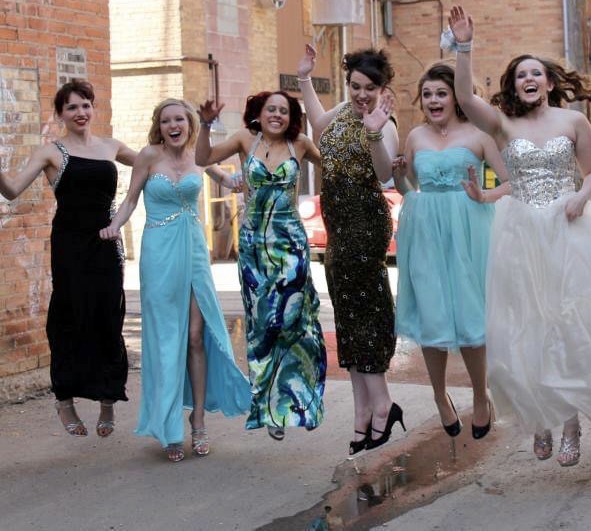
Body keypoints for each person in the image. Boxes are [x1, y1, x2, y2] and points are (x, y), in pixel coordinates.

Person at [448, 5, 591, 467]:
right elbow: (466, 99)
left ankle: (570, 423)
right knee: (524, 328)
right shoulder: (503, 124)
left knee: (569, 326)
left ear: (548, 82)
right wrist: (464, 47)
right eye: (521, 75)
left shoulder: (573, 121)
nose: (528, 79)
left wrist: (580, 197)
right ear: (515, 86)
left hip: (568, 230)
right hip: (521, 233)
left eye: (536, 73)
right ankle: (538, 419)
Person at [0, 80, 135, 439]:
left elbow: (153, 166)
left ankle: (107, 400)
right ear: (60, 114)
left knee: (107, 318)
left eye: (86, 105)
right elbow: (12, 190)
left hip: (107, 245)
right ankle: (65, 399)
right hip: (70, 247)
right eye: (72, 107)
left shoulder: (111, 146)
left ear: (94, 108)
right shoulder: (51, 152)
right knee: (69, 319)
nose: (80, 113)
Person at [100, 98, 251, 462]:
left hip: (195, 251)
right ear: (159, 126)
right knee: (168, 340)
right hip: (159, 253)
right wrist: (115, 226)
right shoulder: (149, 156)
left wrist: (254, 163)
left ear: (189, 123)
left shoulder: (201, 157)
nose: (174, 125)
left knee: (197, 337)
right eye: (167, 120)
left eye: (180, 119)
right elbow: (131, 199)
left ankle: (198, 420)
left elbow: (233, 182)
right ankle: (169, 427)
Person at [376, 61, 509, 440]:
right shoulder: (416, 135)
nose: (434, 100)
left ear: (456, 98)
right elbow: (407, 187)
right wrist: (401, 172)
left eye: (441, 93)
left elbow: (511, 182)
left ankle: (481, 396)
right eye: (428, 94)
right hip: (426, 227)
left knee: (470, 316)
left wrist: (484, 195)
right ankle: (439, 397)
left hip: (469, 227)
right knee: (433, 314)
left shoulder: (479, 134)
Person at [195, 91, 326, 441]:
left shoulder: (300, 143)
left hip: (291, 245)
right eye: (272, 109)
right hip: (254, 247)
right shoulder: (243, 140)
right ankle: (271, 407)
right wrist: (206, 124)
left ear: (291, 117)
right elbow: (203, 156)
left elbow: (335, 166)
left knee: (293, 322)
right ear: (259, 112)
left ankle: (300, 401)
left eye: (284, 111)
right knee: (264, 326)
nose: (278, 115)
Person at [297, 44, 404, 454]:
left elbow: (383, 174)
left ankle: (383, 405)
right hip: (338, 226)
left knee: (365, 314)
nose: (361, 94)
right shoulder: (343, 109)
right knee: (346, 312)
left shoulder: (385, 123)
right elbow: (318, 127)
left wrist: (375, 129)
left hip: (365, 224)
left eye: (369, 87)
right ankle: (362, 413)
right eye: (356, 86)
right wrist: (305, 77)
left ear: (382, 88)